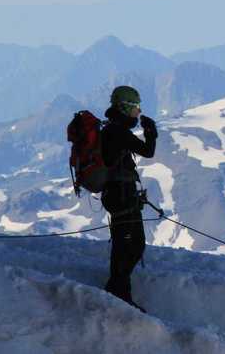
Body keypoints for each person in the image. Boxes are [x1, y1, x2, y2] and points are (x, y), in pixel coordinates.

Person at [100, 85, 158, 312]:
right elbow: (147, 151)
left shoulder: (112, 129)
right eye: (135, 106)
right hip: (121, 196)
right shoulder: (117, 131)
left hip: (119, 195)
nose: (138, 111)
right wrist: (151, 132)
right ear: (125, 107)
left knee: (127, 245)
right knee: (129, 246)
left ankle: (117, 290)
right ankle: (118, 293)